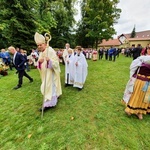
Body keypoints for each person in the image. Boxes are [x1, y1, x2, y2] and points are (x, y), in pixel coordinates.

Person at [34, 32, 62, 111]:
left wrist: (49, 61)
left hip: (50, 73)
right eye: (38, 45)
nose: (39, 46)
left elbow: (56, 63)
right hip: (44, 74)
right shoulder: (41, 52)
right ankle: (52, 99)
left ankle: (49, 103)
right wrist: (39, 62)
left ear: (45, 44)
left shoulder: (50, 50)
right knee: (46, 87)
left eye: (41, 45)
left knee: (49, 87)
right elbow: (39, 64)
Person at [122, 46, 150, 120]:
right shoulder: (141, 58)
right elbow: (133, 67)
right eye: (149, 48)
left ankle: (140, 111)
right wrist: (132, 77)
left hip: (148, 82)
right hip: (139, 81)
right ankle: (130, 109)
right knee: (136, 94)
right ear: (147, 50)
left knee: (144, 97)